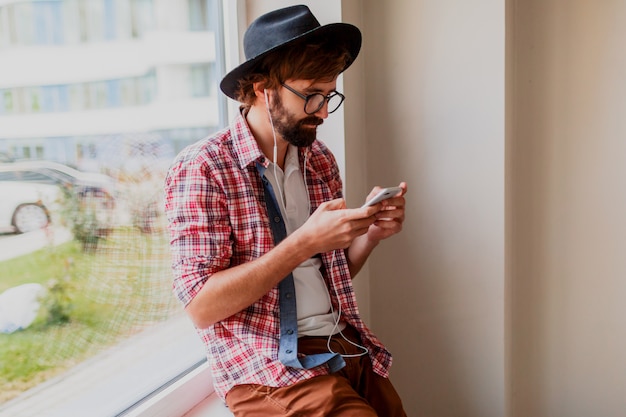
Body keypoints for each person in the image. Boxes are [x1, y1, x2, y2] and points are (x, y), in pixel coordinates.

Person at [164, 4, 407, 416]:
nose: (324, 111)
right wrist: (302, 242)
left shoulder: (319, 160)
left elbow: (328, 275)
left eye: (329, 94)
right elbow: (201, 308)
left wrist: (369, 235)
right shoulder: (204, 167)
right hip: (267, 368)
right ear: (262, 88)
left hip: (343, 346)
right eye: (311, 94)